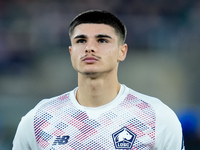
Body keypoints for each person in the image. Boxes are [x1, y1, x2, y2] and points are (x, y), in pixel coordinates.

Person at [12, 10, 185, 150]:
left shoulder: (158, 117)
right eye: (81, 40)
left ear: (122, 51)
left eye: (102, 40)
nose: (89, 48)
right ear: (71, 52)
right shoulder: (39, 118)